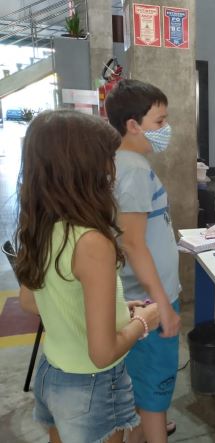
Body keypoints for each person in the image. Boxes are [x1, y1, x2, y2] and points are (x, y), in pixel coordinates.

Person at [15, 110, 161, 443]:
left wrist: (116, 310)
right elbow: (102, 353)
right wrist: (143, 321)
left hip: (51, 373)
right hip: (91, 385)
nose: (113, 167)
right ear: (85, 168)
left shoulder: (42, 225)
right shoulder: (92, 242)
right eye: (109, 158)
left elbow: (30, 299)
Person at [106, 79, 181, 443]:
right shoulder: (132, 169)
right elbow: (134, 245)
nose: (165, 130)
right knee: (154, 393)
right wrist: (163, 305)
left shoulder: (126, 163)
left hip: (142, 297)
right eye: (159, 122)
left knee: (139, 386)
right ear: (132, 125)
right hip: (150, 302)